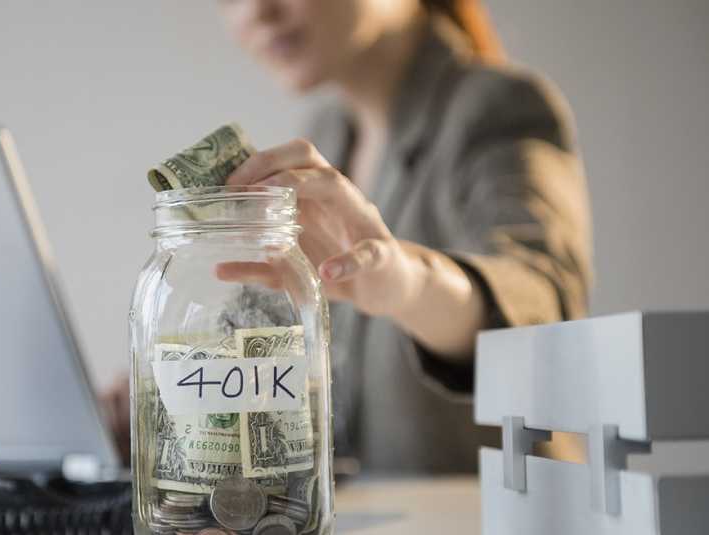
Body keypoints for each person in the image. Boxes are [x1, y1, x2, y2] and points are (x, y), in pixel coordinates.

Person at [105, 0, 592, 473]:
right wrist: (182, 408)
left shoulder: (494, 105)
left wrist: (407, 285)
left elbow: (542, 302)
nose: (256, 10)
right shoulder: (328, 134)